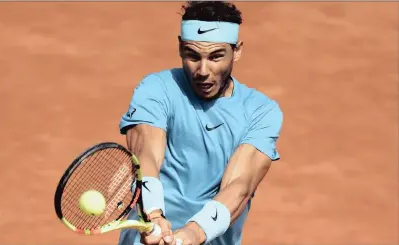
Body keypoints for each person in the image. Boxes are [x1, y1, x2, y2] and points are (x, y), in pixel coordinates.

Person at [118, 1, 283, 245]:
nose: (202, 70)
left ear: (237, 51)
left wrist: (192, 234)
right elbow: (146, 154)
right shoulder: (157, 88)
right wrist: (153, 214)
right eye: (193, 56)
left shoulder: (260, 111)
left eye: (216, 56)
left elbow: (239, 185)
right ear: (180, 48)